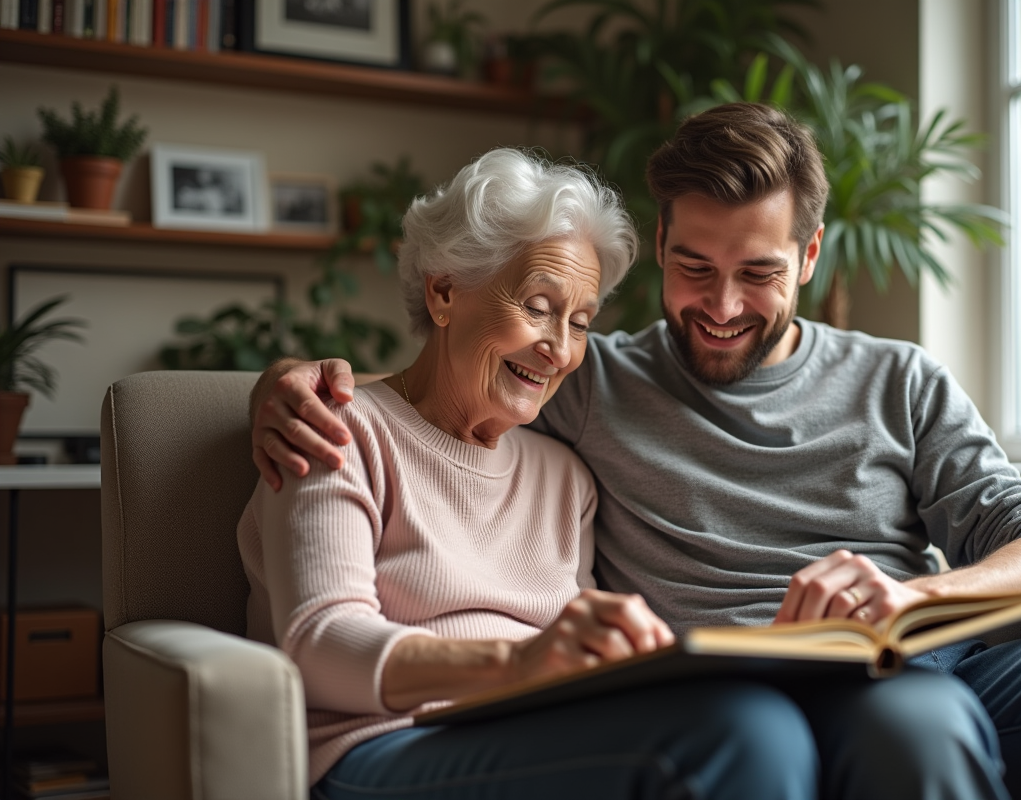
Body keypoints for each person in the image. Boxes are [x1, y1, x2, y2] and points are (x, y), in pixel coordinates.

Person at [253, 106, 1021, 800]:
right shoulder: (589, 385)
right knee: (893, 732)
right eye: (693, 268)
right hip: (738, 702)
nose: (722, 306)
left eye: (759, 274)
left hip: (911, 657)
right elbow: (431, 393)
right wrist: (282, 382)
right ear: (661, 243)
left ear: (813, 256)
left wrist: (913, 597)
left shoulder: (901, 379)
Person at [238, 147, 819, 800]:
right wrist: (516, 663)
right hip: (379, 748)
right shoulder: (332, 431)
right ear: (444, 291)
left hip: (532, 736)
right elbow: (319, 647)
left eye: (580, 322)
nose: (560, 349)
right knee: (745, 733)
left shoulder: (564, 477)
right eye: (538, 307)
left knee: (765, 722)